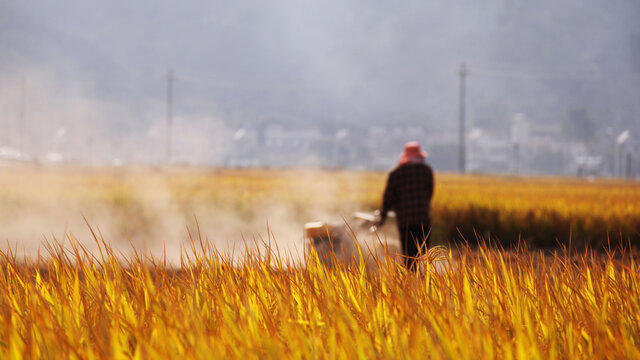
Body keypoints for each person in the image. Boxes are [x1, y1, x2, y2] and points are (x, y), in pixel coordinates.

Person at [377, 141, 434, 270]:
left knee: (409, 255)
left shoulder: (396, 173)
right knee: (423, 254)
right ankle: (422, 280)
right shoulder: (426, 171)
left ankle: (411, 280)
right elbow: (429, 193)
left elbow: (388, 198)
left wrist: (383, 216)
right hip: (423, 220)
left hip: (405, 222)